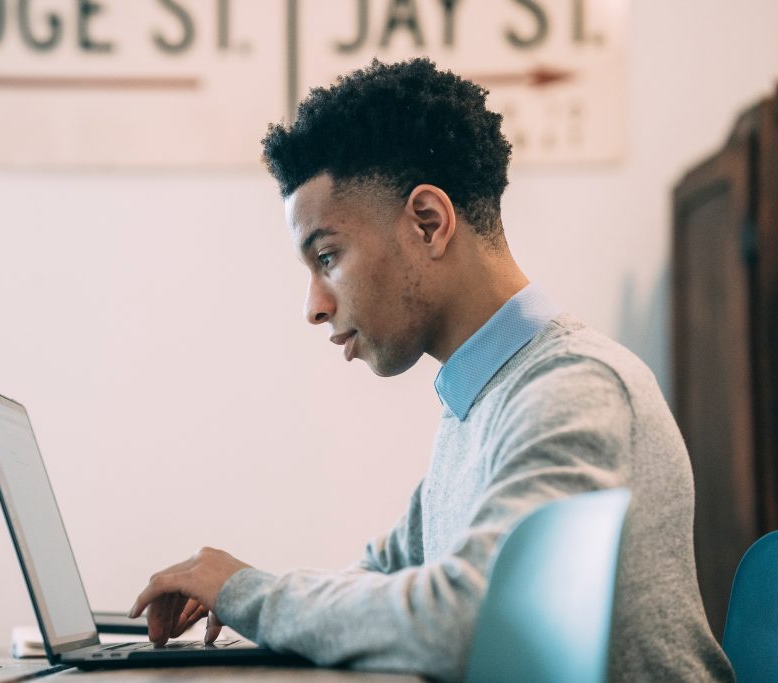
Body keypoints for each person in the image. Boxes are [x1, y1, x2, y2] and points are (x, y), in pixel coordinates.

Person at [128, 58, 734, 680]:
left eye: (328, 257)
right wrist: (244, 598)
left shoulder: (573, 386)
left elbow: (476, 619)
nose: (314, 305)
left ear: (428, 223)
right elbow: (386, 577)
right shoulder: (479, 401)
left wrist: (248, 593)